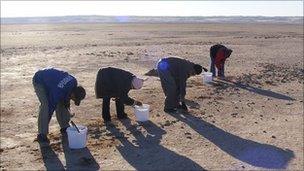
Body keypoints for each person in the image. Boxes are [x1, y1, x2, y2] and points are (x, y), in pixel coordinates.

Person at [32, 68, 86, 143]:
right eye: (74, 99)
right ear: (73, 94)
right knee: (46, 106)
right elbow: (51, 106)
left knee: (63, 102)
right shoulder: (58, 91)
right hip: (40, 80)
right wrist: (46, 121)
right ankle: (42, 134)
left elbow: (66, 97)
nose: (73, 100)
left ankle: (65, 127)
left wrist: (67, 108)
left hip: (53, 83)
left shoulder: (73, 82)